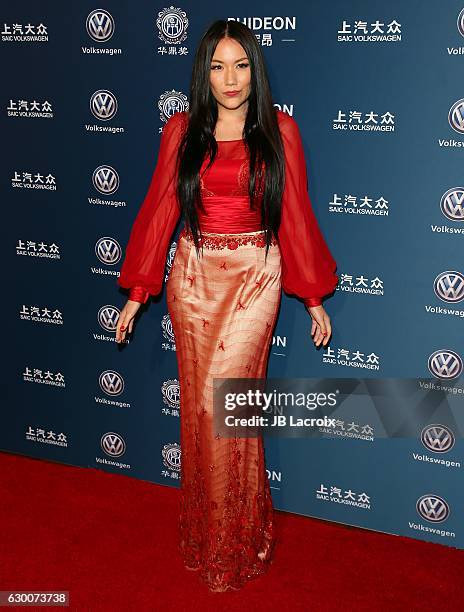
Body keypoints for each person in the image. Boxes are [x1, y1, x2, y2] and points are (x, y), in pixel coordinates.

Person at [115, 19, 338, 592]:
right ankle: (208, 533)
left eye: (240, 65)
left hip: (254, 280)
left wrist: (312, 296)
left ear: (255, 71)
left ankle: (239, 539)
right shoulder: (182, 131)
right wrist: (139, 293)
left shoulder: (279, 132)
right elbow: (160, 209)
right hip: (192, 279)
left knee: (228, 408)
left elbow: (295, 215)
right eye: (217, 66)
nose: (230, 78)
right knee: (200, 409)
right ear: (204, 73)